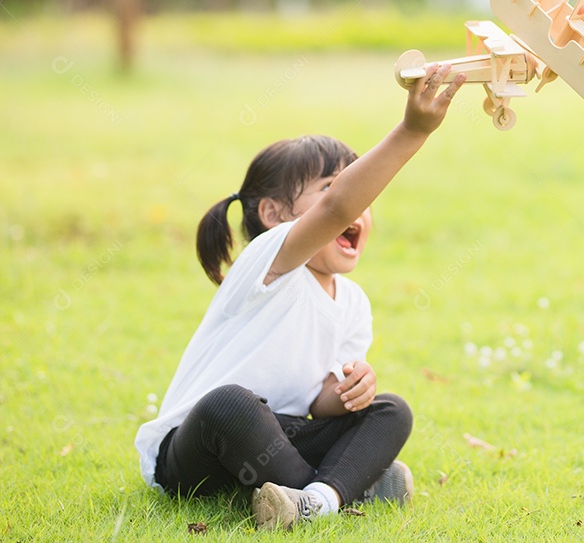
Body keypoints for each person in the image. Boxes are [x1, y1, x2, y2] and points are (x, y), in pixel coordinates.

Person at [135, 64, 465, 531]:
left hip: (278, 438)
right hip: (198, 449)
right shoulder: (268, 260)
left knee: (391, 410)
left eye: (362, 194)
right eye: (334, 187)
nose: (358, 207)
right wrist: (413, 131)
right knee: (229, 403)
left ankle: (316, 500)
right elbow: (337, 210)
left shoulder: (352, 303)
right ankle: (355, 485)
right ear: (274, 214)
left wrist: (350, 392)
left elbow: (319, 401)